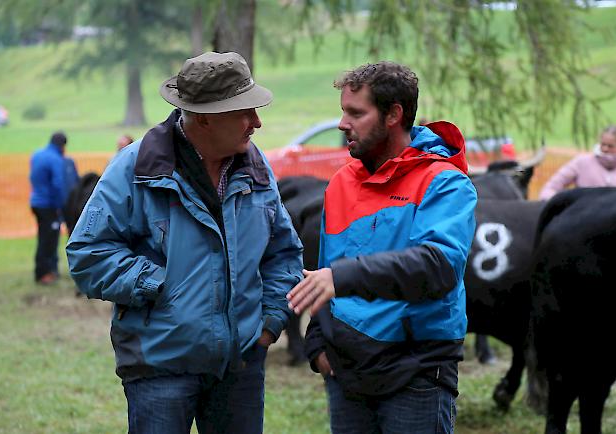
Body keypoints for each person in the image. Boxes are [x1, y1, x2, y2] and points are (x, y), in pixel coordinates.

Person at [66, 51, 303, 434]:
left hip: (240, 366)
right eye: (245, 112)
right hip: (161, 366)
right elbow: (88, 254)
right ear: (206, 118)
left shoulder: (256, 169)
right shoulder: (134, 168)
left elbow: (284, 254)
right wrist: (159, 285)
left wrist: (270, 323)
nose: (257, 123)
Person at [287, 61, 477, 433]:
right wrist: (318, 347)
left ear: (394, 114)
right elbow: (325, 270)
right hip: (346, 376)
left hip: (416, 375)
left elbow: (437, 267)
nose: (343, 123)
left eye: (356, 113)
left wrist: (341, 277)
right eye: (343, 111)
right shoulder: (342, 181)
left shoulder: (444, 183)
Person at [539, 125, 616, 200]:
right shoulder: (582, 162)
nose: (605, 149)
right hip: (584, 221)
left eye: (610, 146)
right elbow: (551, 188)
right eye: (603, 144)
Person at [29, 131, 71, 285]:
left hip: (35, 202)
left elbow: (33, 177)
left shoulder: (37, 154)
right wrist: (61, 206)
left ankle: (42, 271)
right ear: (62, 146)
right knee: (49, 240)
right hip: (48, 205)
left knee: (42, 237)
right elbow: (58, 184)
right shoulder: (55, 159)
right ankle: (45, 274)